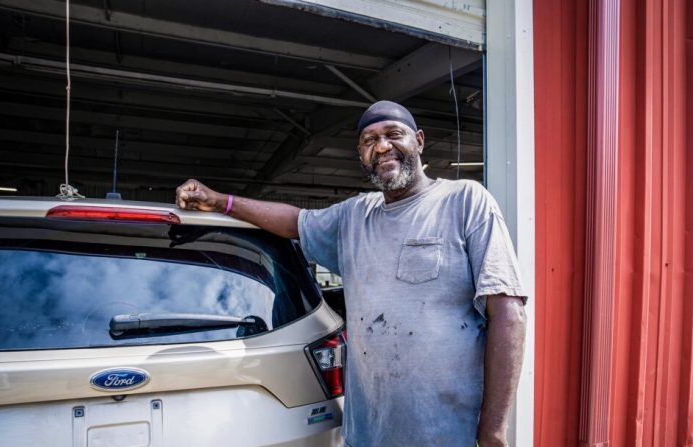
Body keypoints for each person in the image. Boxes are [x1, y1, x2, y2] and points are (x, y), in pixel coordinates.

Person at [176, 100, 528, 447]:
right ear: (361, 154)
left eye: (393, 134)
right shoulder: (354, 216)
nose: (382, 146)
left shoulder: (465, 201)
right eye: (369, 141)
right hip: (368, 435)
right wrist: (220, 201)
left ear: (418, 140)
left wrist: (493, 428)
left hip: (447, 434)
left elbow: (509, 314)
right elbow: (294, 222)